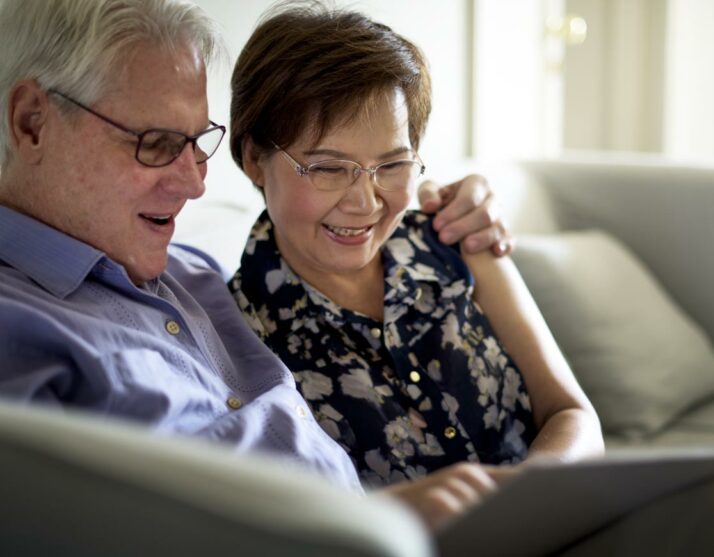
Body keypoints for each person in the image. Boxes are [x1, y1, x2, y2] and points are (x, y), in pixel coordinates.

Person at [0, 0, 521, 529]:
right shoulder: (17, 328)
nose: (196, 184)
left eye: (195, 143)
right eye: (154, 144)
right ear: (32, 123)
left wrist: (450, 198)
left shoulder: (186, 271)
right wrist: (373, 524)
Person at [227, 3, 604, 492]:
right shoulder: (238, 332)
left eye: (392, 165)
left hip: (563, 513)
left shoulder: (454, 239)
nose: (366, 202)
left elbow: (571, 412)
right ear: (254, 158)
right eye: (326, 168)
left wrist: (527, 499)